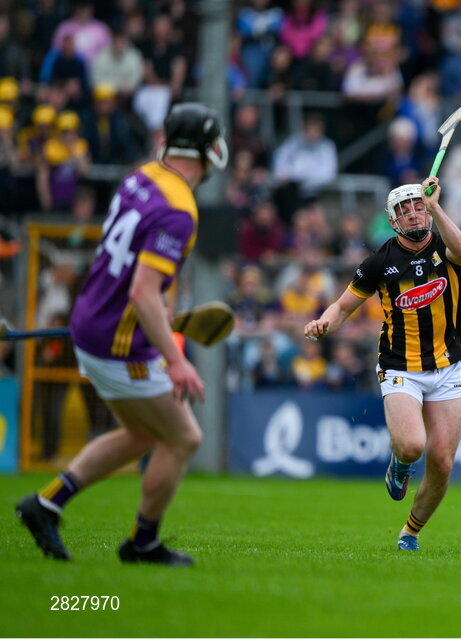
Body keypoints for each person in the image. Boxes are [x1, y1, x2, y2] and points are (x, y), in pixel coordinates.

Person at [15, 103, 229, 566]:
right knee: (183, 438)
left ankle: (47, 504)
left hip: (91, 320)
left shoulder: (141, 176)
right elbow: (142, 292)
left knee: (140, 433)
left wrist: (160, 311)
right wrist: (176, 360)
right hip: (118, 342)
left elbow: (136, 271)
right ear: (209, 150)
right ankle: (142, 543)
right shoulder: (180, 210)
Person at [304, 178, 461, 552]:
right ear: (393, 221)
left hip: (447, 367)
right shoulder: (379, 261)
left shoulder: (445, 246)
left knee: (442, 463)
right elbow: (343, 307)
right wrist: (323, 323)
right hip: (400, 367)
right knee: (412, 446)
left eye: (418, 207)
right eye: (403, 210)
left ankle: (410, 532)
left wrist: (436, 206)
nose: (412, 214)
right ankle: (399, 462)